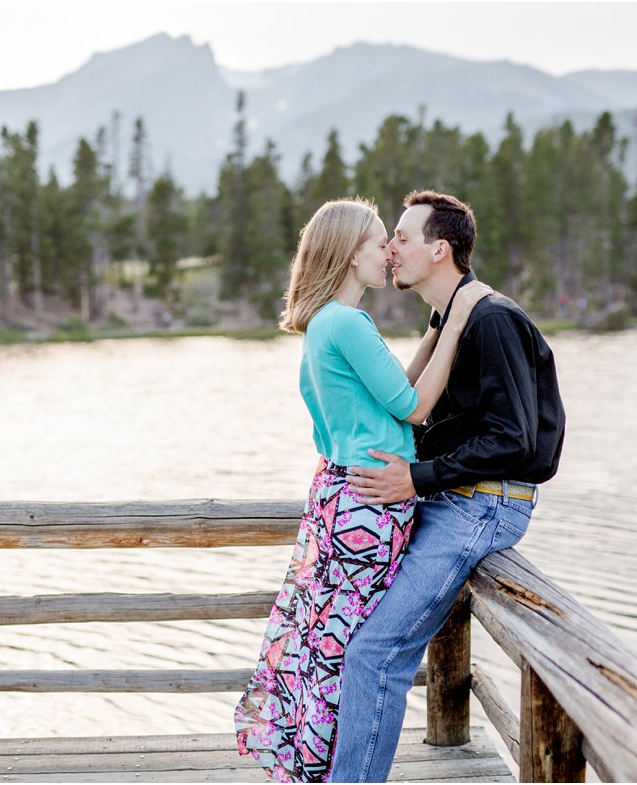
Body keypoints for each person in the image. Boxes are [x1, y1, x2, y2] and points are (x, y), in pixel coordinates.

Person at [233, 197, 492, 783]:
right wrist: (458, 317)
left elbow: (394, 390)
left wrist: (433, 328)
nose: (390, 252)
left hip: (341, 495)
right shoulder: (348, 324)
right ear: (352, 253)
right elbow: (417, 406)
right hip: (369, 508)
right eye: (381, 242)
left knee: (325, 636)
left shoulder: (326, 324)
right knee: (349, 649)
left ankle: (319, 767)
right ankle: (333, 774)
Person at [328, 189, 566, 782]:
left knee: (374, 654)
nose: (390, 249)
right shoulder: (455, 320)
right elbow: (417, 410)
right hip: (455, 501)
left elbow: (515, 441)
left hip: (484, 505)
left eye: (402, 238)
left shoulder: (493, 319)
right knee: (363, 644)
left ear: (439, 249)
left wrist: (416, 477)